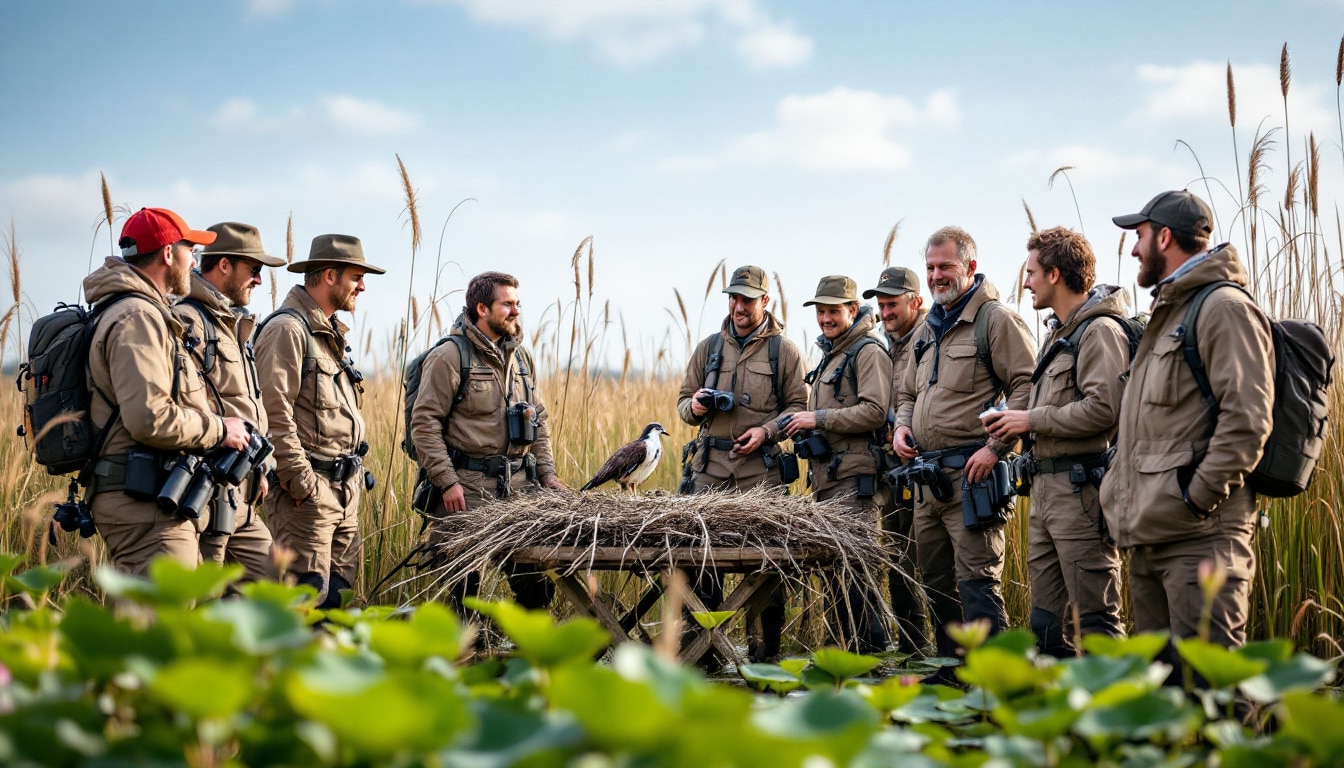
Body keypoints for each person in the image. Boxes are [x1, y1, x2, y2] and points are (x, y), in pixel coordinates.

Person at [1101, 190, 1274, 652]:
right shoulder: (1169, 310)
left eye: (1139, 236)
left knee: (1215, 693)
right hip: (1153, 537)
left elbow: (1248, 421)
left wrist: (1196, 501)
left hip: (1200, 539)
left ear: (1163, 237)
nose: (1134, 249)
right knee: (1167, 696)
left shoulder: (1223, 308)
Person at [981, 227, 1128, 656]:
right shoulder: (1058, 333)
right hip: (1045, 491)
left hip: (1081, 495)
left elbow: (1104, 410)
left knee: (1096, 618)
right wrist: (1015, 421)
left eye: (1031, 272)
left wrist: (1029, 419)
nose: (1025, 282)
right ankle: (1056, 717)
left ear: (1055, 274)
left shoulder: (1100, 331)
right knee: (1046, 626)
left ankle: (1116, 716)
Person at [83, 207, 250, 574]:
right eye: (190, 250)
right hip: (142, 502)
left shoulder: (146, 313)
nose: (194, 262)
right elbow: (148, 418)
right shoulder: (137, 318)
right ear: (168, 254)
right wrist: (221, 429)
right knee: (154, 626)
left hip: (153, 497)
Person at [893, 226, 1035, 657]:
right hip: (926, 482)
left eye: (946, 267)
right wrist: (902, 426)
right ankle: (953, 673)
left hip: (973, 480)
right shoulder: (926, 329)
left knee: (977, 583)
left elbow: (1029, 386)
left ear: (970, 267)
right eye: (931, 267)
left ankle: (996, 681)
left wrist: (995, 450)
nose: (936, 276)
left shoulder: (996, 320)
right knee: (936, 583)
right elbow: (906, 393)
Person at [410, 271, 566, 611]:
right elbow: (424, 424)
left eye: (517, 304)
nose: (516, 312)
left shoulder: (522, 359)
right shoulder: (450, 356)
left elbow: (538, 420)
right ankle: (462, 661)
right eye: (507, 304)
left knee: (537, 592)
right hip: (467, 493)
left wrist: (548, 475)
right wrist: (447, 482)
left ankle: (527, 662)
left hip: (522, 494)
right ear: (482, 308)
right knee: (461, 598)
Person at [675, 264, 808, 662]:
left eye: (747, 299)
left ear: (765, 301)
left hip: (760, 475)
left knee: (767, 566)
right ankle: (701, 655)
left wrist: (766, 432)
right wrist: (695, 407)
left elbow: (798, 407)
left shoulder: (784, 351)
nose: (738, 306)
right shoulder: (708, 348)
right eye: (733, 298)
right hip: (709, 471)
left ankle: (763, 658)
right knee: (698, 560)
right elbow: (682, 404)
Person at [255, 234, 384, 609]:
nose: (362, 286)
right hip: (308, 498)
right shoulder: (288, 330)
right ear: (330, 275)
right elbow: (273, 412)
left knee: (337, 601)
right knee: (304, 602)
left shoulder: (327, 333)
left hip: (342, 492)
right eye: (356, 276)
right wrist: (301, 483)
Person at [781, 275, 891, 653]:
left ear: (852, 310)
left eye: (833, 311)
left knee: (859, 576)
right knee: (836, 575)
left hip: (855, 484)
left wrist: (818, 419)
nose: (826, 318)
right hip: (829, 482)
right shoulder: (834, 353)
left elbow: (875, 412)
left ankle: (871, 663)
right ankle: (846, 658)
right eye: (821, 311)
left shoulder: (867, 351)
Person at [174, 222, 285, 585]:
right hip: (206, 492)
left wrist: (261, 466)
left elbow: (249, 403)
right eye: (254, 270)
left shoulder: (232, 323)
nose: (259, 280)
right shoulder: (189, 319)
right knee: (203, 598)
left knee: (273, 581)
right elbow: (184, 401)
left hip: (242, 491)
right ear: (224, 265)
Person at [863, 266, 930, 655]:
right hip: (892, 470)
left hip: (923, 470)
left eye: (892, 304)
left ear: (915, 302)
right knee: (899, 562)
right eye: (881, 305)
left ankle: (944, 657)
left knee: (928, 566)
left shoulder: (929, 337)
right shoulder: (888, 344)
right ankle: (913, 651)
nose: (885, 312)